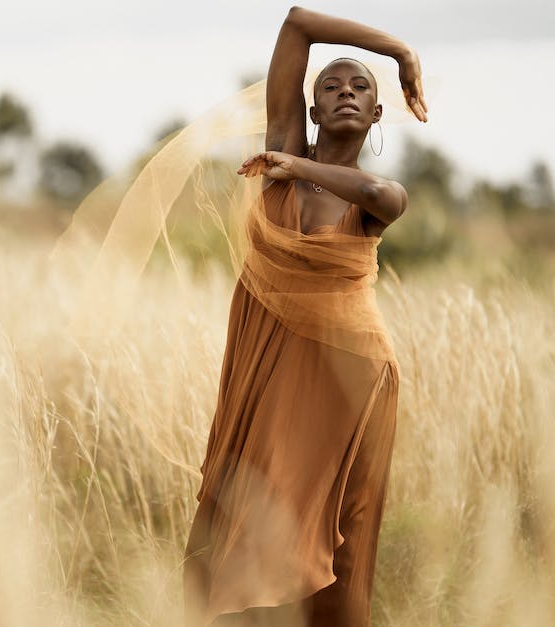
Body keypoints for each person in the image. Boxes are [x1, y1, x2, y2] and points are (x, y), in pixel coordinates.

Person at [182, 6, 427, 627]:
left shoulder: (370, 191)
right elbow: (296, 24)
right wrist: (398, 51)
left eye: (361, 87)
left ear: (377, 115)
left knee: (338, 526)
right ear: (310, 110)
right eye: (331, 85)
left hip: (350, 378)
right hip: (271, 364)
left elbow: (380, 197)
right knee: (251, 502)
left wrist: (296, 167)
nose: (346, 90)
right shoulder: (280, 156)